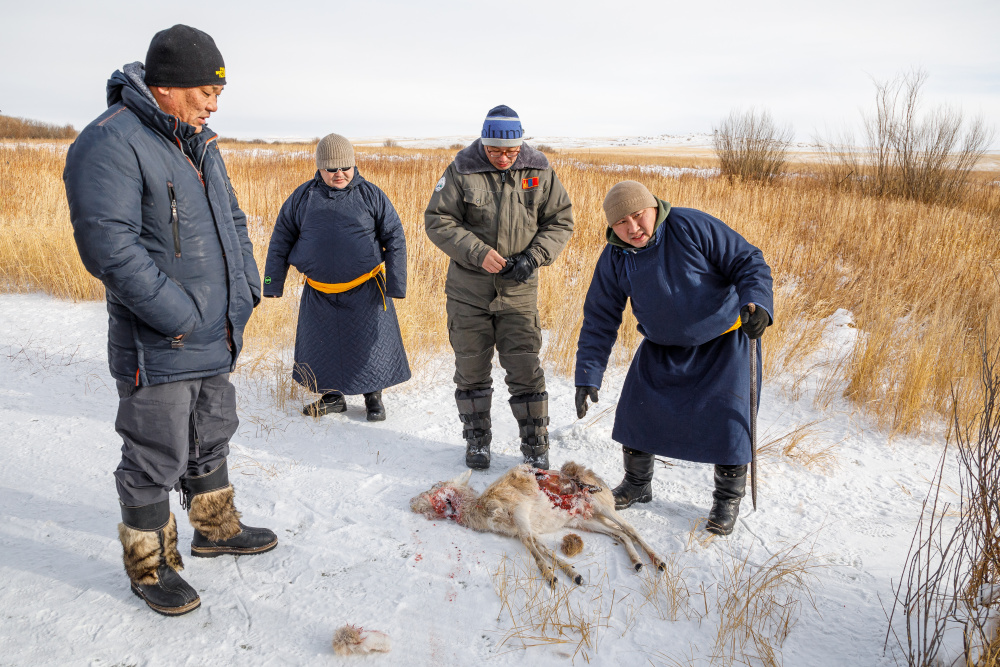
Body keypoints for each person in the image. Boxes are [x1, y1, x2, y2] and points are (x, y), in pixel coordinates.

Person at [63, 24, 277, 617]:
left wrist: (244, 289)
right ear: (166, 86)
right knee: (155, 452)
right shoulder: (111, 141)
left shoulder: (198, 142)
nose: (213, 104)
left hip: (216, 326)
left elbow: (231, 219)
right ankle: (150, 565)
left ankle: (215, 527)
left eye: (218, 94)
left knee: (211, 430)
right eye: (205, 91)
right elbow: (109, 246)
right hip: (161, 337)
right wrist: (178, 314)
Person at [574, 181, 773, 536]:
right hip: (662, 346)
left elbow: (748, 261)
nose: (633, 228)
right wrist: (588, 374)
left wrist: (756, 302)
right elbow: (600, 317)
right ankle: (637, 484)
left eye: (638, 216)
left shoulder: (691, 226)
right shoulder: (616, 257)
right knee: (638, 410)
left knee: (729, 422)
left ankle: (726, 500)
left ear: (654, 209)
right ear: (611, 226)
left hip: (725, 341)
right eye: (622, 223)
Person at [425, 105, 573, 470]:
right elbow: (437, 220)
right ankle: (477, 443)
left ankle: (535, 445)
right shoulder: (461, 169)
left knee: (525, 368)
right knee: (471, 369)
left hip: (519, 292)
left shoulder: (539, 171)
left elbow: (561, 221)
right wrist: (477, 252)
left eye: (510, 151)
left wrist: (534, 257)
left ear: (521, 145)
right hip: (468, 292)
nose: (504, 158)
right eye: (496, 151)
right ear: (484, 144)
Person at [262, 133, 409, 419]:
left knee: (371, 347)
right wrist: (272, 282)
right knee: (322, 347)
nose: (339, 173)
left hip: (366, 289)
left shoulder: (372, 194)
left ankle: (373, 399)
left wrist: (397, 283)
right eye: (331, 168)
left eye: (345, 167)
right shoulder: (302, 197)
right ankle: (332, 398)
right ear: (319, 168)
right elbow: (281, 238)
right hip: (319, 292)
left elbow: (395, 237)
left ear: (354, 166)